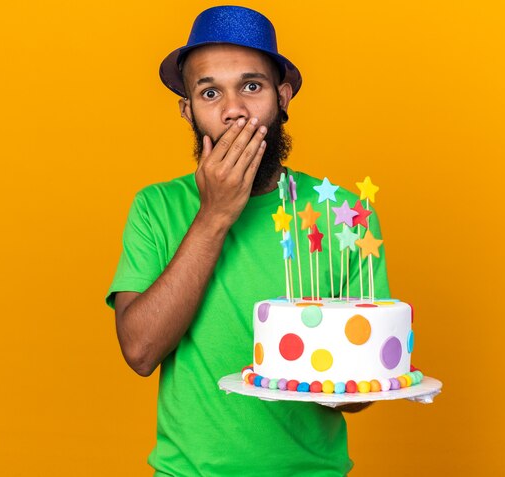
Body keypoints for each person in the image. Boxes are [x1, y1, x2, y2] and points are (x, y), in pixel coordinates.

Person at [106, 6, 389, 476]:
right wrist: (214, 216)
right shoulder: (155, 208)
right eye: (210, 91)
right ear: (187, 109)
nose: (233, 109)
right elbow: (139, 352)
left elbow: (357, 399)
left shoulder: (344, 215)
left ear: (283, 96)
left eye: (251, 86)